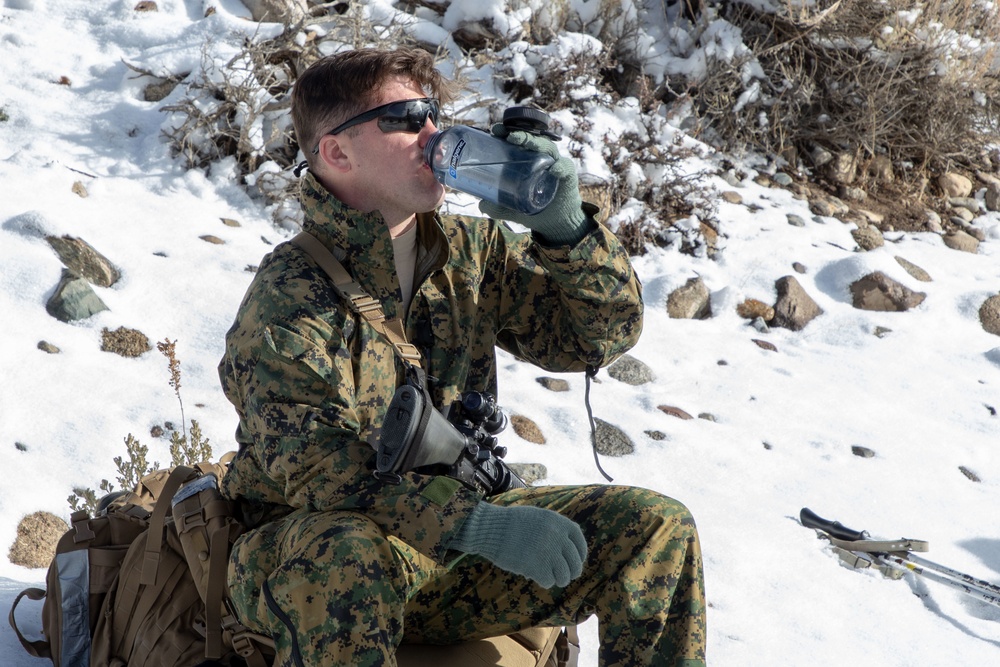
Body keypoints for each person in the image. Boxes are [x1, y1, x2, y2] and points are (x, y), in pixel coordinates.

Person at [218, 47, 706, 667]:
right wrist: (478, 528)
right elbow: (320, 473)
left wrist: (566, 229)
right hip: (306, 556)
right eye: (406, 117)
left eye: (434, 114)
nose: (433, 135)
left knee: (655, 527)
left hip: (443, 549)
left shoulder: (469, 253)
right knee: (345, 552)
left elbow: (594, 337)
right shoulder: (289, 296)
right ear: (337, 152)